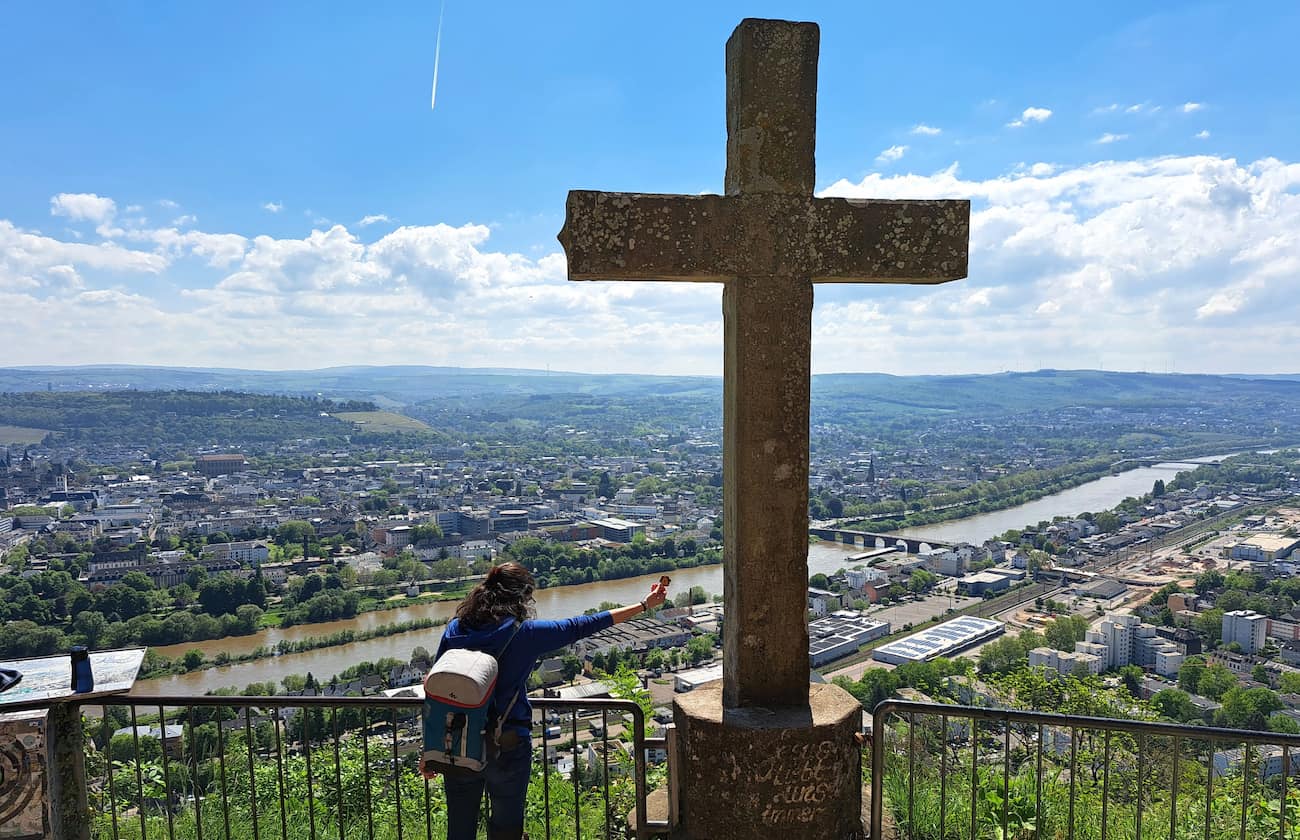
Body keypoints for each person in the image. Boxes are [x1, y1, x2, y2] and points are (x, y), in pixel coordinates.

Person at [427, 562, 669, 840]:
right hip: (507, 743)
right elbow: (583, 625)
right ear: (522, 597)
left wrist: (431, 746)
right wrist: (644, 604)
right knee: (506, 829)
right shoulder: (525, 634)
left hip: (457, 740)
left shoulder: (455, 629)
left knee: (459, 828)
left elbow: (436, 689)